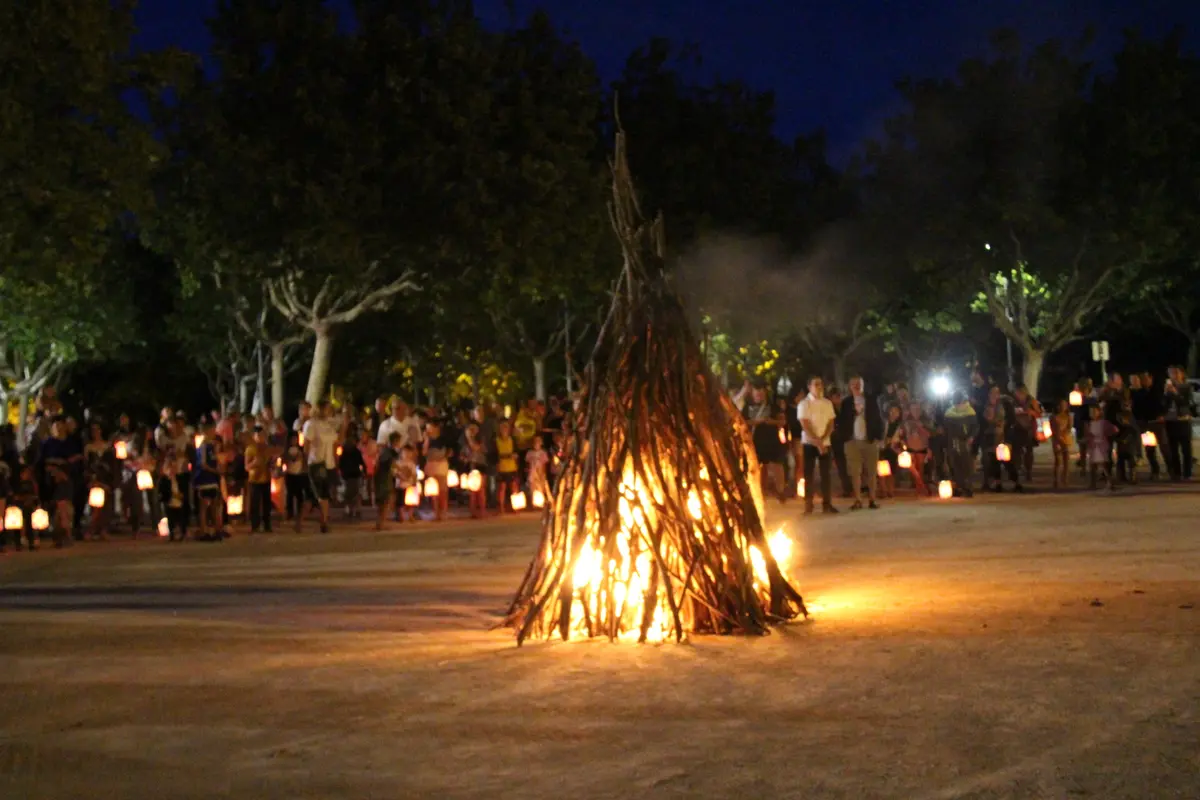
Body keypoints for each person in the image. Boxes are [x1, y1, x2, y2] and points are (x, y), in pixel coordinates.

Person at [838, 376, 883, 510]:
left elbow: (878, 419)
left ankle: (872, 499)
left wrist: (878, 437)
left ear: (863, 385)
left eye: (859, 384)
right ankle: (858, 499)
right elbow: (842, 421)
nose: (856, 386)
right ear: (849, 386)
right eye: (853, 384)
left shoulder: (871, 400)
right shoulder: (846, 403)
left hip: (869, 440)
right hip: (852, 441)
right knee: (855, 471)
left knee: (871, 471)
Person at [796, 376, 838, 515]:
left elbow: (831, 423)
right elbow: (805, 425)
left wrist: (823, 439)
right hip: (809, 443)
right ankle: (808, 505)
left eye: (821, 384)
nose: (820, 387)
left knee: (826, 474)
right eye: (816, 384)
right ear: (809, 386)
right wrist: (817, 441)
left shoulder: (827, 403)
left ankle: (827, 504)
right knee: (809, 474)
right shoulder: (804, 404)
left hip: (825, 442)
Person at [743, 383, 787, 502]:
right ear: (752, 394)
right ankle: (761, 492)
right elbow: (743, 422)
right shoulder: (747, 408)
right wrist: (756, 422)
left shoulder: (773, 407)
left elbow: (782, 421)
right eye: (756, 394)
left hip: (773, 441)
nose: (759, 396)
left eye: (761, 393)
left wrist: (770, 421)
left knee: (777, 465)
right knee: (760, 467)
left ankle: (780, 491)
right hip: (755, 441)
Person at [302, 400, 340, 533]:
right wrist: (305, 462)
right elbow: (306, 445)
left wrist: (336, 461)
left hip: (329, 463)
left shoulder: (329, 425)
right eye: (326, 409)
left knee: (318, 496)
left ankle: (300, 521)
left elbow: (335, 443)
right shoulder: (311, 425)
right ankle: (324, 522)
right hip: (317, 463)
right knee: (322, 494)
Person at [942, 393, 979, 497]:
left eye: (961, 403)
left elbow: (975, 427)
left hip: (965, 441)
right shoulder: (949, 413)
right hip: (952, 442)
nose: (959, 405)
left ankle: (967, 487)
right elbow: (947, 430)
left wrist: (971, 437)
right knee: (955, 465)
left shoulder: (970, 412)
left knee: (966, 465)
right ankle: (957, 487)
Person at [1163, 366, 1194, 480]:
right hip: (1170, 420)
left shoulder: (1186, 387)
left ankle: (1187, 473)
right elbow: (1164, 405)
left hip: (1183, 419)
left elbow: (1186, 403)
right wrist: (1166, 394)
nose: (1173, 375)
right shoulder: (1168, 388)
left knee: (1186, 449)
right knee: (1173, 448)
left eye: (1175, 373)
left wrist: (1175, 393)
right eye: (1170, 373)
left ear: (1181, 374)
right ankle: (1176, 473)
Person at [244, 426, 273, 533]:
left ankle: (267, 525)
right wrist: (254, 463)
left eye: (263, 435)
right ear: (254, 436)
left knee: (267, 503)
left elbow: (271, 462)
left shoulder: (267, 448)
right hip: (254, 479)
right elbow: (246, 467)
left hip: (266, 478)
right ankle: (255, 525)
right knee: (255, 503)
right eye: (259, 435)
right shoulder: (250, 449)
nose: (261, 437)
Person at [422, 420, 451, 521]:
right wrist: (426, 440)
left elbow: (450, 450)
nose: (428, 430)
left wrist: (443, 456)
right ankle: (436, 512)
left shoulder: (444, 439)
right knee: (433, 490)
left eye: (430, 427)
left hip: (441, 465)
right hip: (430, 465)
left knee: (442, 490)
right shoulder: (426, 439)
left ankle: (443, 511)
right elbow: (424, 452)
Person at [1085, 405, 1118, 491]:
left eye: (1094, 411)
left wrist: (1107, 436)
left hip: (1101, 445)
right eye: (1091, 412)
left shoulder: (1104, 423)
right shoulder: (1089, 423)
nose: (1092, 413)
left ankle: (1110, 482)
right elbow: (1087, 435)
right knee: (1093, 465)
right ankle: (1093, 484)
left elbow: (1114, 429)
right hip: (1093, 446)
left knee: (1104, 465)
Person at [374, 432, 401, 530]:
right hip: (384, 478)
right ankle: (381, 524)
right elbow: (393, 465)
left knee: (382, 501)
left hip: (381, 477)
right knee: (385, 500)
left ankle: (380, 523)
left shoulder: (384, 451)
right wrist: (402, 472)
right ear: (395, 441)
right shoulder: (390, 452)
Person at [494, 420, 520, 512]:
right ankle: (501, 507)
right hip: (502, 467)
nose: (504, 429)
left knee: (513, 487)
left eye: (506, 427)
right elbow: (494, 454)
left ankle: (515, 507)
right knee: (502, 488)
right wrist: (507, 456)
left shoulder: (512, 440)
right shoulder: (496, 441)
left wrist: (515, 456)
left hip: (512, 467)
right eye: (503, 427)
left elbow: (517, 452)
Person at [1049, 399, 1073, 489]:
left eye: (1064, 405)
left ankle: (1065, 479)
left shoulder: (1067, 416)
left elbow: (1069, 427)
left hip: (1065, 438)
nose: (1063, 407)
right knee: (1058, 461)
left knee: (1066, 460)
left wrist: (1065, 433)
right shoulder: (1053, 417)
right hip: (1057, 439)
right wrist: (1059, 438)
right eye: (1061, 405)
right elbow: (1054, 430)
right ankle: (1056, 480)